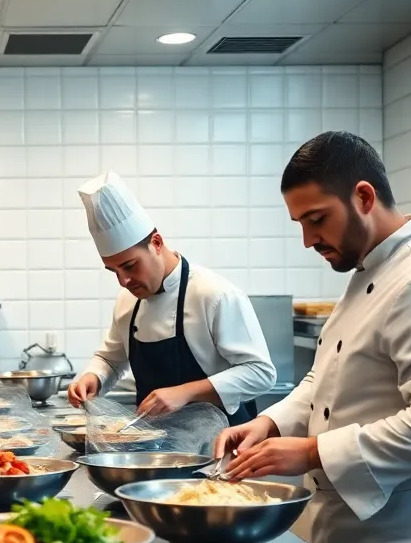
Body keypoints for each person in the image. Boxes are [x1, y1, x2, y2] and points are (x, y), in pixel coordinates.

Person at [215, 131, 411, 543]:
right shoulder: (369, 271)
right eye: (301, 225)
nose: (308, 240)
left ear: (364, 197)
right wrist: (271, 424)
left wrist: (312, 451)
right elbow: (326, 376)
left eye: (317, 219)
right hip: (372, 520)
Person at [66, 171, 276, 426]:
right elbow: (111, 358)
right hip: (153, 447)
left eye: (130, 266)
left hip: (221, 448)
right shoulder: (127, 302)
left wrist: (185, 392)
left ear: (156, 242)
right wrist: (93, 377)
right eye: (114, 271)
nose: (123, 281)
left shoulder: (215, 295)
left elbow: (261, 373)